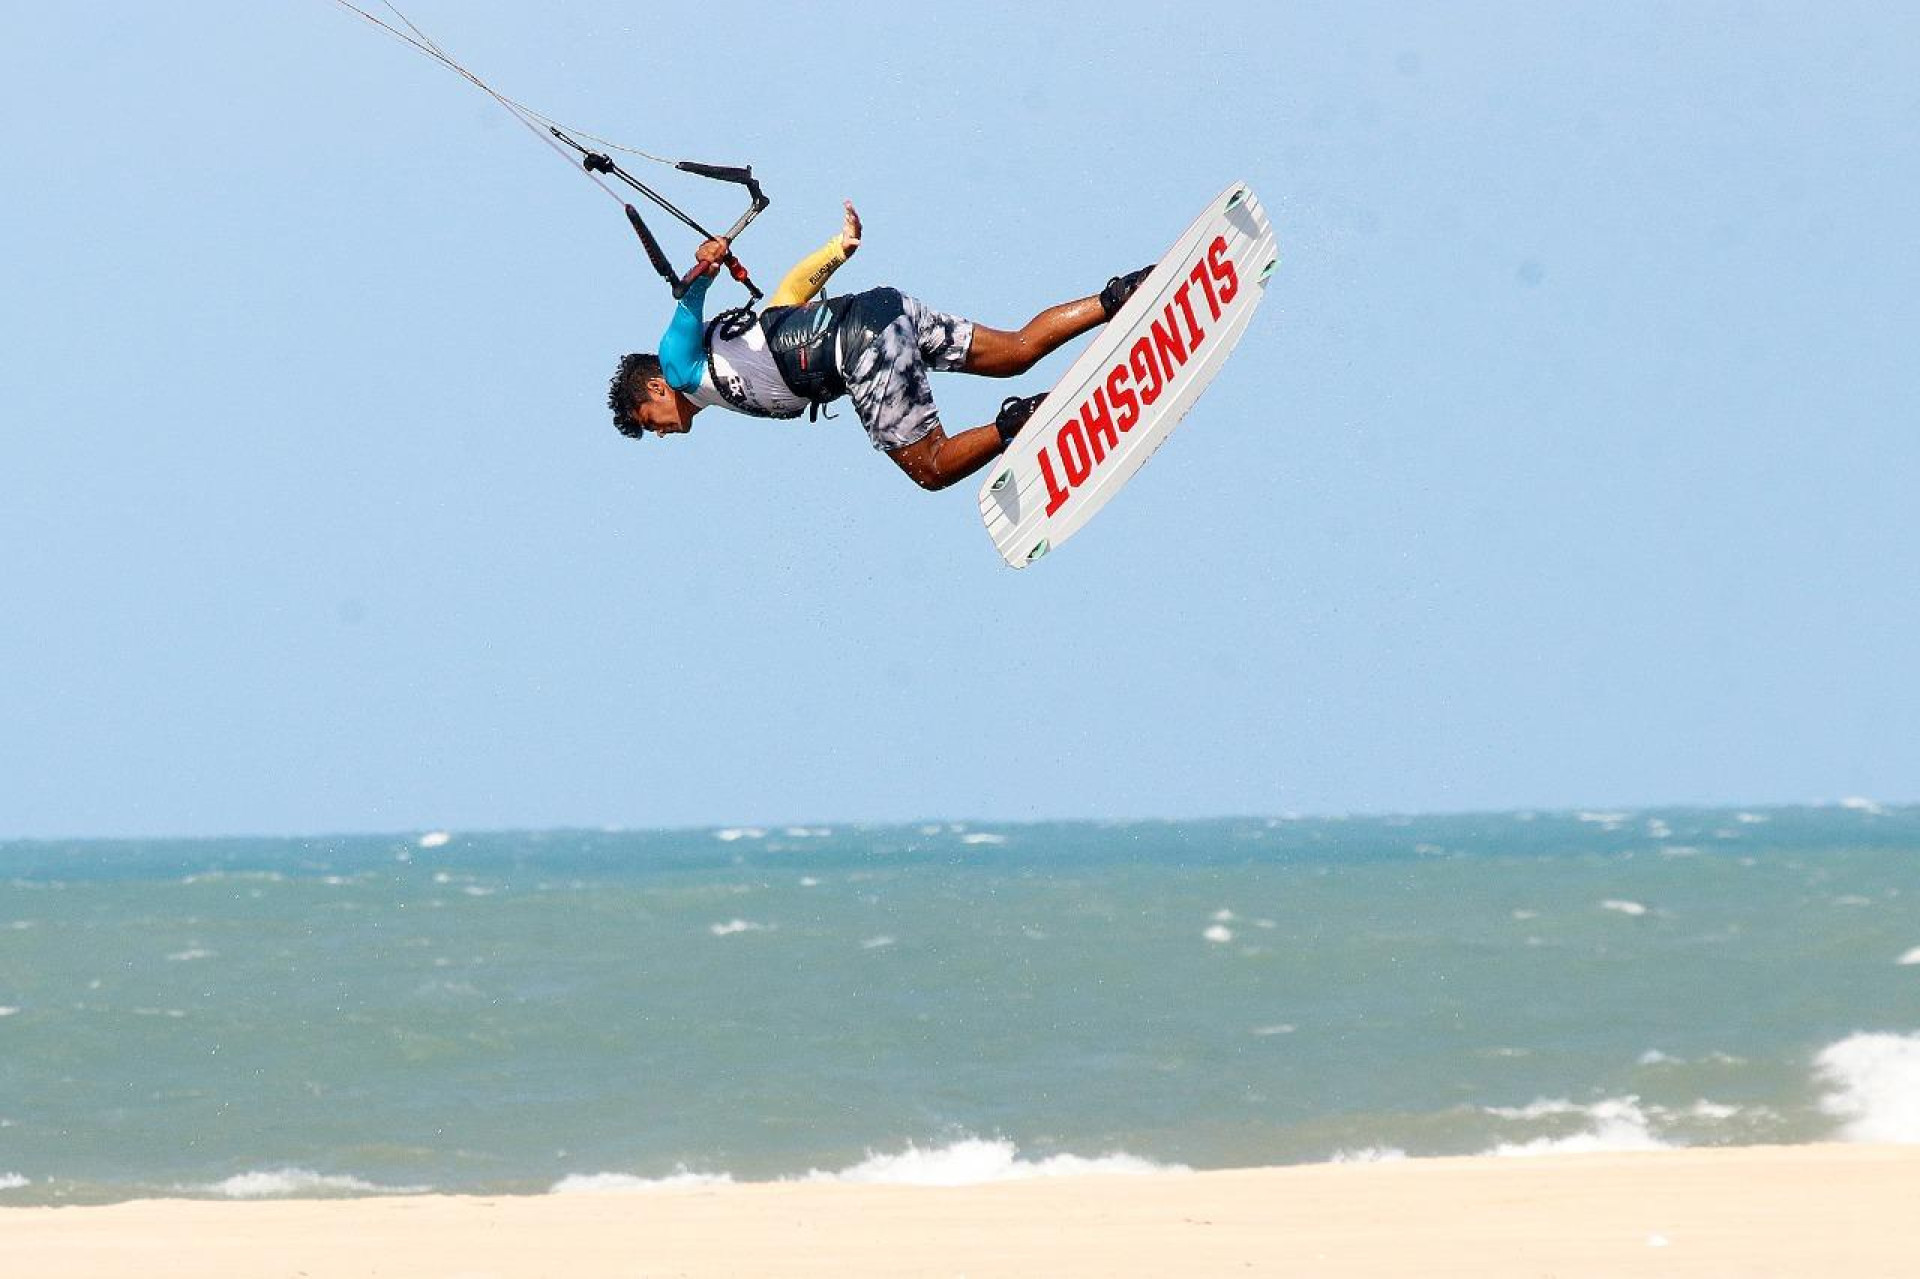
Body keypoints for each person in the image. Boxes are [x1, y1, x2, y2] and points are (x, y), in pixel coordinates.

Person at [606, 201, 1150, 490]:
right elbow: (790, 296)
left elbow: (685, 306)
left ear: (654, 386)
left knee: (931, 467)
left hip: (858, 349)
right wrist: (838, 250)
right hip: (883, 310)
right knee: (1017, 351)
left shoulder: (679, 367)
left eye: (650, 420)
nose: (662, 431)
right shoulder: (729, 349)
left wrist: (706, 266)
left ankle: (1027, 418)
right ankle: (1119, 296)